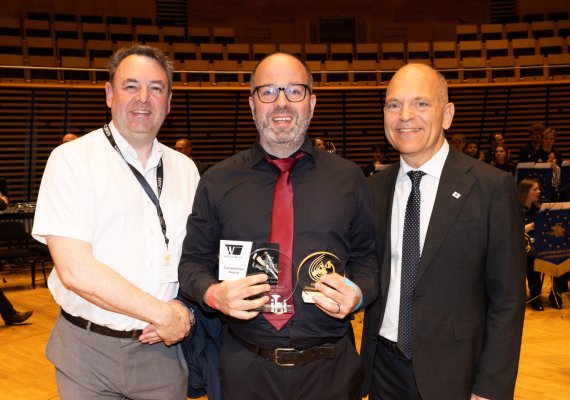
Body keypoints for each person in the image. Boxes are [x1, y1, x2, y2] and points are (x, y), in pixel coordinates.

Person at [178, 52, 378, 400]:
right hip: (245, 371)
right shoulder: (218, 181)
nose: (281, 102)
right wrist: (213, 294)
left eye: (294, 91)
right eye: (268, 91)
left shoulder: (348, 178)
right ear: (252, 104)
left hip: (331, 371)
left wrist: (358, 294)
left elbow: (367, 260)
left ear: (311, 103)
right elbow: (192, 263)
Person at [32, 45, 199, 400]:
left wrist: (185, 307)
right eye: (131, 86)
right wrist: (161, 313)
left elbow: (196, 257)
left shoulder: (186, 170)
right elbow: (75, 270)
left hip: (162, 352)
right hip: (87, 352)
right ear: (109, 94)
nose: (143, 98)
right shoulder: (71, 160)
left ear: (169, 101)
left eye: (156, 88)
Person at [362, 63, 525, 400]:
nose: (405, 115)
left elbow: (508, 299)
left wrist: (491, 387)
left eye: (421, 103)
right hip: (383, 372)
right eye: (393, 104)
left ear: (447, 114)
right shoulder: (373, 189)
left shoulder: (492, 188)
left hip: (457, 374)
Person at [519, 179, 545, 311]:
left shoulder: (538, 210)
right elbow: (510, 230)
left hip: (535, 245)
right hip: (518, 246)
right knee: (533, 255)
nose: (538, 192)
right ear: (525, 192)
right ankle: (531, 296)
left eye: (538, 189)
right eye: (535, 189)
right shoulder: (514, 209)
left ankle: (537, 296)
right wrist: (531, 226)